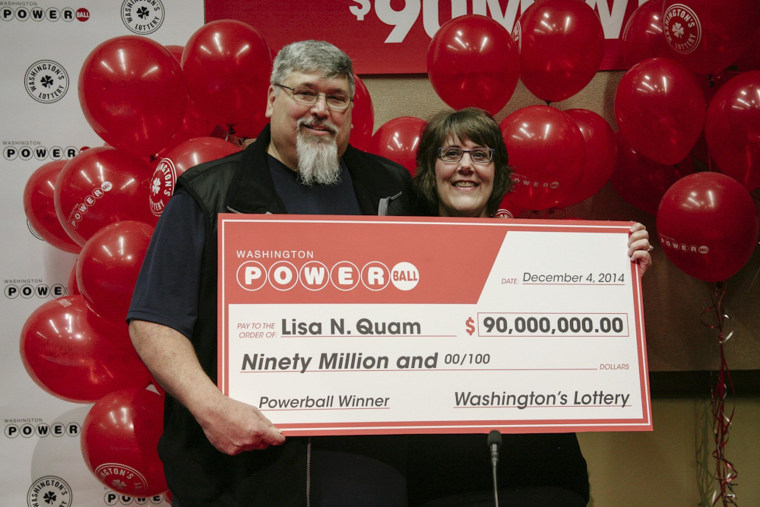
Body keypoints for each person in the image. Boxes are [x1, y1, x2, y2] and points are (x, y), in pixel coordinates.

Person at [127, 40, 415, 507]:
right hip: (239, 467)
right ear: (270, 100)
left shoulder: (390, 189)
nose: (321, 110)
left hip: (365, 463)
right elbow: (154, 320)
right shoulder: (209, 193)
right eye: (304, 92)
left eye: (336, 97)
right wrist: (211, 408)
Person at [407, 107, 653, 507]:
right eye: (450, 154)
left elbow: (590, 359)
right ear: (429, 170)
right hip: (440, 479)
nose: (466, 166)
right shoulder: (397, 256)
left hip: (544, 474)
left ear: (498, 170)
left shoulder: (546, 254)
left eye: (481, 155)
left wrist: (620, 288)